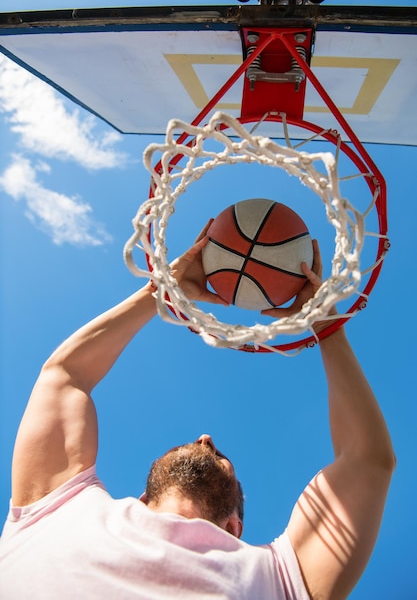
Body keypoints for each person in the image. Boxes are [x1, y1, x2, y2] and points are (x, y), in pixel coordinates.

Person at [0, 223, 395, 600]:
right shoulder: (59, 507)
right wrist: (161, 293)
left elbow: (368, 462)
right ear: (139, 500)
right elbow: (64, 375)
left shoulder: (280, 574)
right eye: (214, 447)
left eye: (219, 454)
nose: (206, 438)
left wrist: (326, 325)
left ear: (234, 527)